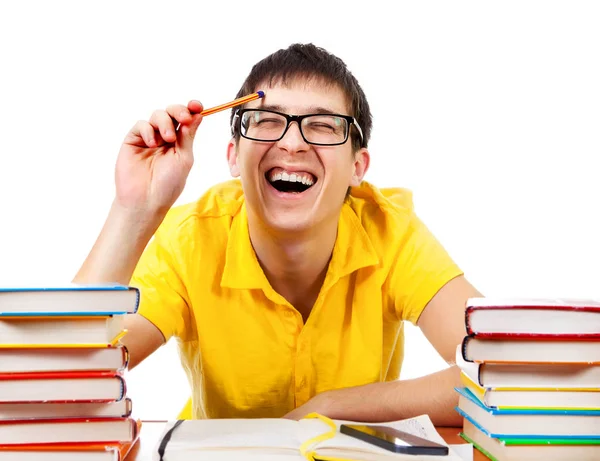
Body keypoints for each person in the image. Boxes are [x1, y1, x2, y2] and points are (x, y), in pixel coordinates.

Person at [74, 43, 481, 425]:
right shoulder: (189, 240)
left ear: (358, 167)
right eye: (267, 121)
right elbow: (67, 380)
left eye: (322, 125)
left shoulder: (390, 231)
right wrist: (134, 210)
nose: (292, 142)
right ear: (233, 156)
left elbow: (510, 376)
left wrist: (333, 407)